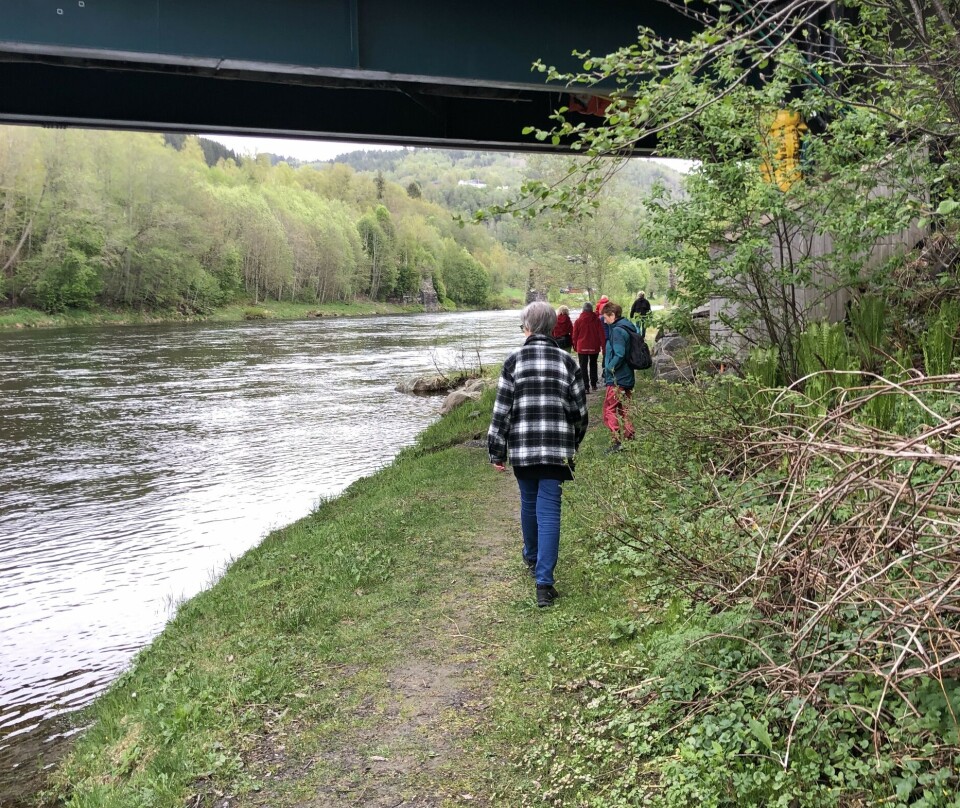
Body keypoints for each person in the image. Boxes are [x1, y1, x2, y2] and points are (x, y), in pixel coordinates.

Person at [488, 301, 589, 608]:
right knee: (549, 511)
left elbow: (502, 410)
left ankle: (532, 559)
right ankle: (544, 584)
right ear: (551, 327)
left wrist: (497, 450)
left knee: (528, 503)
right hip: (557, 449)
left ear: (528, 328)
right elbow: (580, 412)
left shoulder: (513, 361)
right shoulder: (567, 362)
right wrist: (573, 442)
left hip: (523, 448)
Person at [601, 302, 638, 452]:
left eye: (605, 317)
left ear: (612, 315)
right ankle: (629, 437)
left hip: (618, 378)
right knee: (625, 409)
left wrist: (609, 369)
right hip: (628, 376)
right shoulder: (628, 326)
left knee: (609, 409)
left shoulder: (617, 331)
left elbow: (620, 353)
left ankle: (617, 441)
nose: (604, 321)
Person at [571, 301, 605, 393]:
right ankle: (594, 385)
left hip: (582, 347)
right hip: (594, 346)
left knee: (583, 367)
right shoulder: (597, 320)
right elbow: (601, 334)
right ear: (591, 309)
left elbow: (574, 335)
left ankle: (586, 387)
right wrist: (603, 346)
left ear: (583, 309)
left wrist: (574, 345)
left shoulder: (578, 321)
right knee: (593, 364)